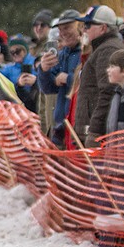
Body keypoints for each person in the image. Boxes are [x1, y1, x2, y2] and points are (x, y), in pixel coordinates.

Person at [73, 5, 124, 148]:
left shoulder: (108, 49)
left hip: (98, 133)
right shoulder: (102, 48)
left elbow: (108, 92)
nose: (84, 29)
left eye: (88, 25)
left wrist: (95, 131)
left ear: (103, 27)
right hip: (91, 129)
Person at [37, 9, 84, 147]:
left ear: (80, 27)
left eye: (68, 27)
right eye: (61, 29)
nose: (63, 33)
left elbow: (89, 84)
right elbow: (48, 88)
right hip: (61, 127)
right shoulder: (62, 54)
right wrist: (44, 70)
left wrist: (68, 79)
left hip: (77, 126)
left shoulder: (86, 51)